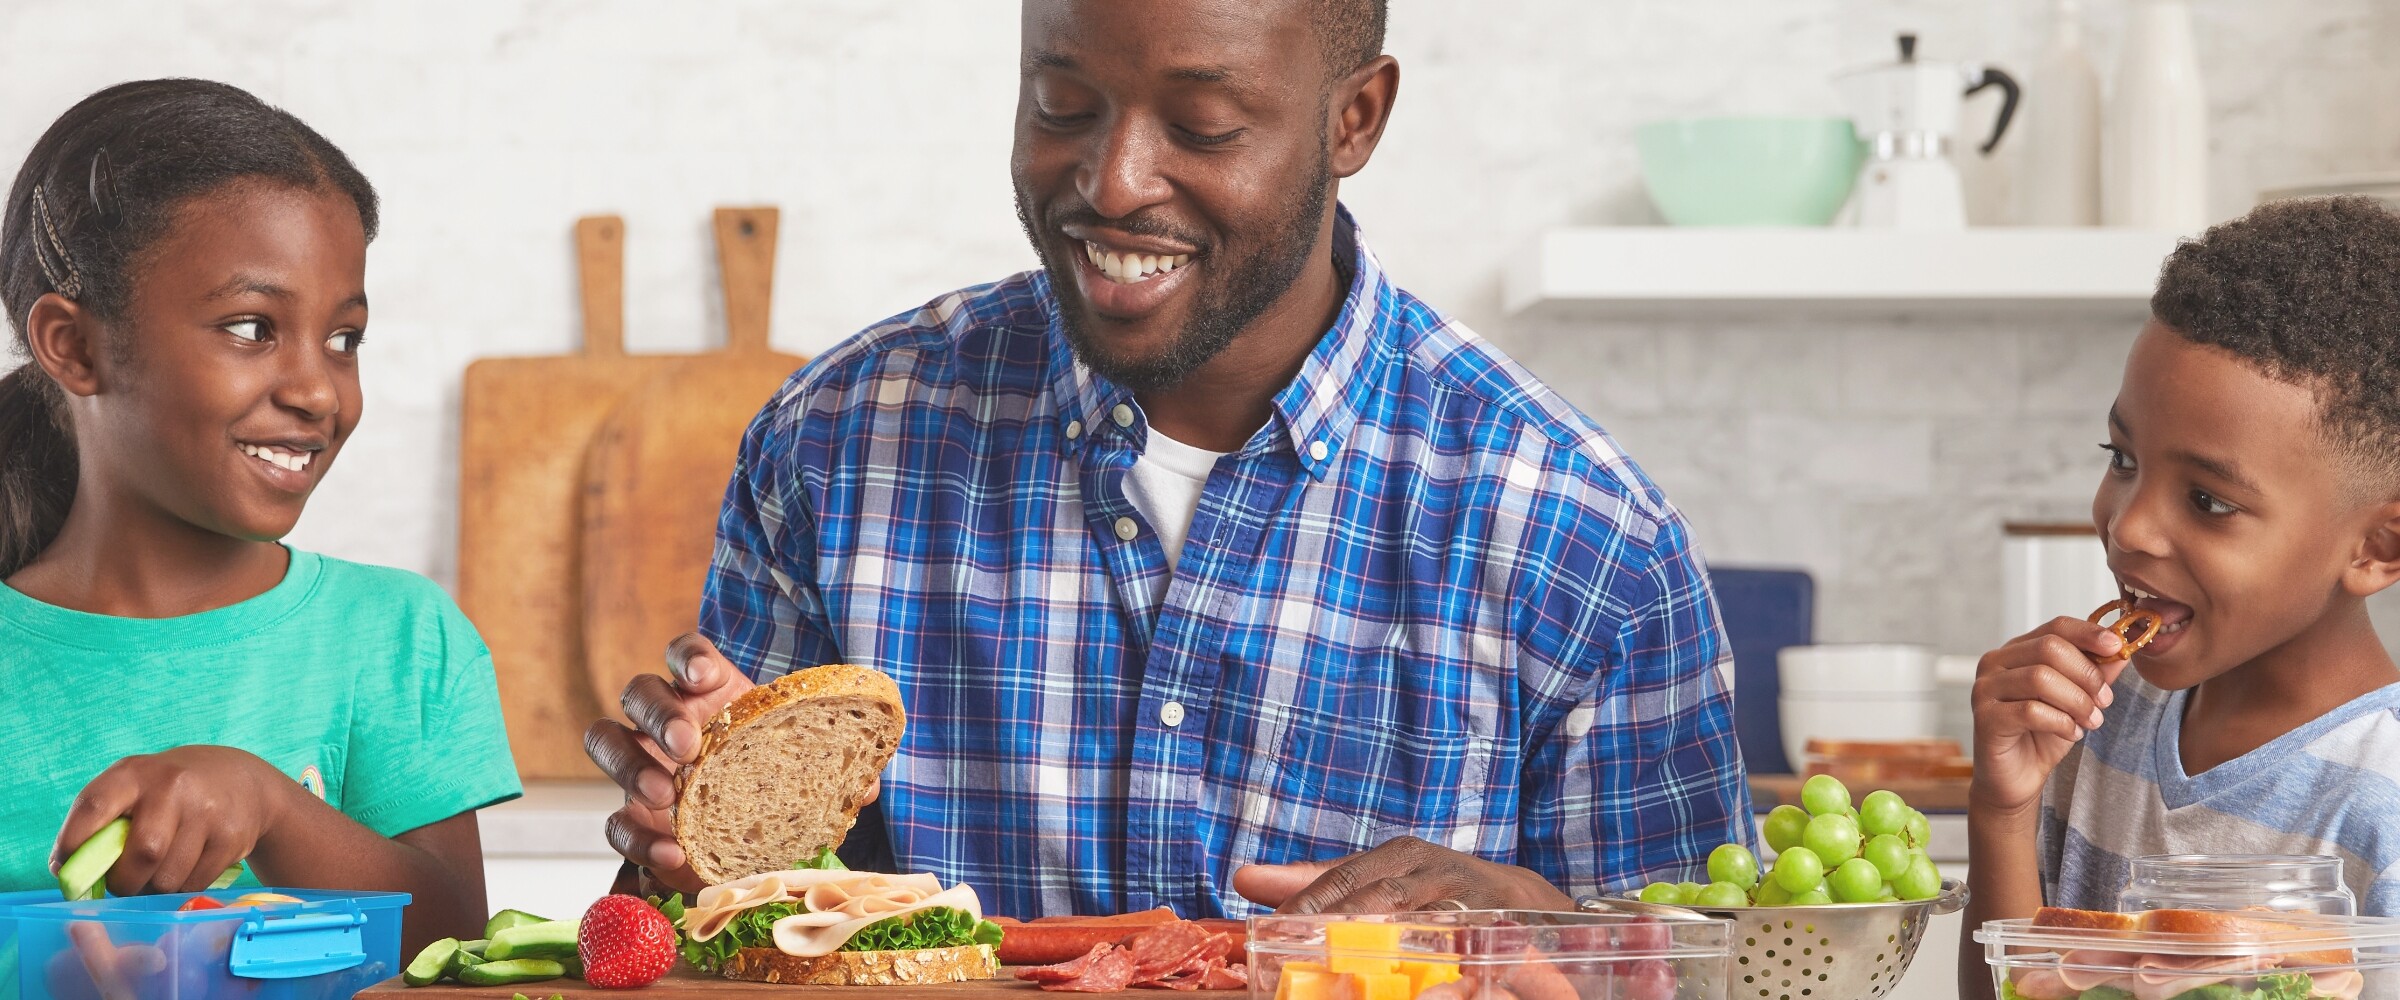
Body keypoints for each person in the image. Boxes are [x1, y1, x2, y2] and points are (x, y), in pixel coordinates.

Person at [587, 0, 1750, 918]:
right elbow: (725, 919)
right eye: (1061, 103)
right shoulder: (836, 442)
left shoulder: (1586, 539)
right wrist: (693, 860)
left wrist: (1546, 927)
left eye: (1202, 128)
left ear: (1355, 118)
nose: (1113, 180)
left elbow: (1705, 962)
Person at [0, 80, 520, 954]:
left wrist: (273, 807)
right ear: (75, 346)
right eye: (250, 328)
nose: (318, 389)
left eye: (343, 338)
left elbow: (453, 946)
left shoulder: (397, 637)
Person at [1959, 197, 2400, 997]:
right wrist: (2001, 808)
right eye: (2122, 457)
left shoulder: (2384, 797)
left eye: (2210, 502)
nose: (2130, 528)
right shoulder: (2094, 721)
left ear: (2378, 549)